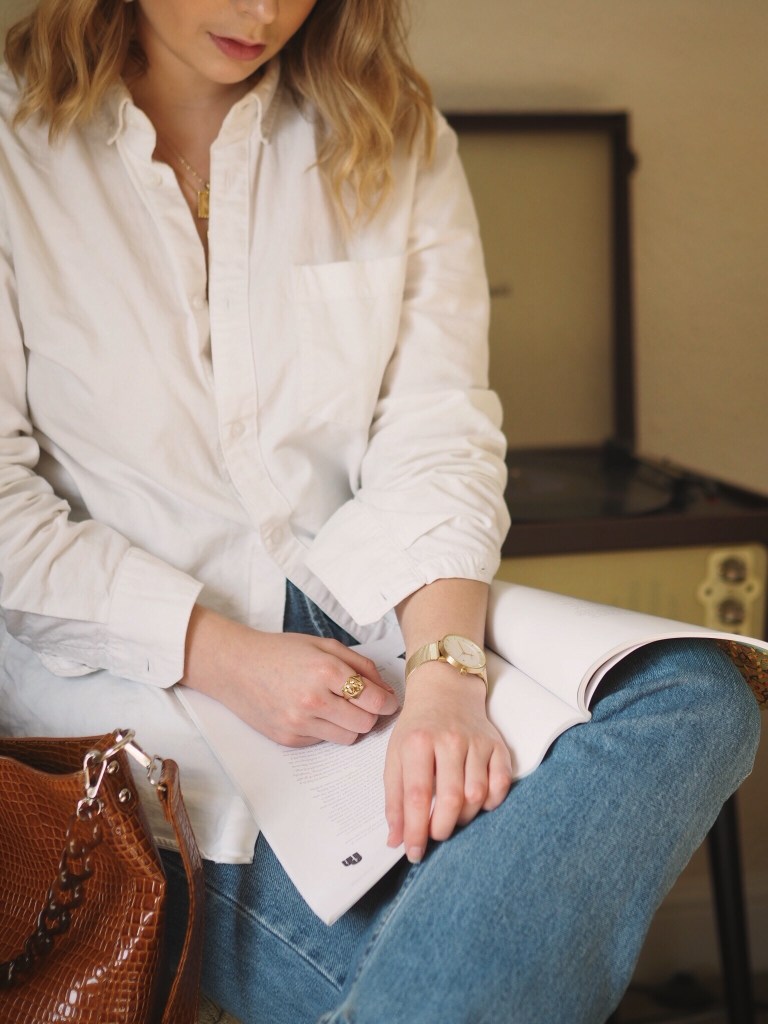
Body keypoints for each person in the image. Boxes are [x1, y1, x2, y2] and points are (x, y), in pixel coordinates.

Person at [0, 1, 760, 1022]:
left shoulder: (390, 130)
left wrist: (449, 679)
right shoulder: (14, 149)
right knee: (421, 976)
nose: (263, 10)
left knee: (699, 696)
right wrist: (225, 655)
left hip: (368, 615)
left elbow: (437, 433)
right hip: (143, 695)